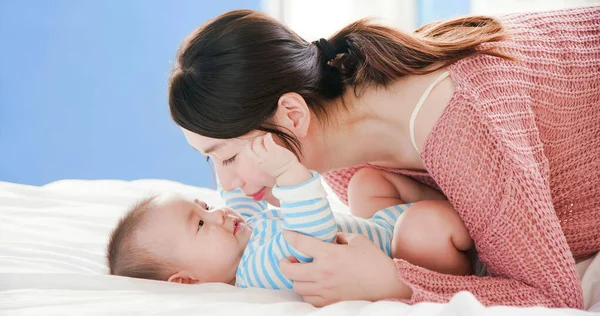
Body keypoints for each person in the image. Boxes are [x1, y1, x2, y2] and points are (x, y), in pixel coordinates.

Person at [167, 6, 600, 308]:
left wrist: (393, 283)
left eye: (225, 156)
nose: (225, 184)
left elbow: (552, 297)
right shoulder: (345, 149)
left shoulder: (463, 124)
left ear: (292, 115)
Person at [106, 133, 473, 287]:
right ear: (187, 281)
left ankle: (444, 205)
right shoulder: (259, 271)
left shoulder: (242, 233)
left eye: (206, 207)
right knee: (423, 226)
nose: (218, 214)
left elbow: (235, 194)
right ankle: (471, 250)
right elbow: (311, 239)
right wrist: (290, 176)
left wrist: (226, 158)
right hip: (406, 254)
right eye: (200, 224)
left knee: (366, 183)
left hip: (380, 227)